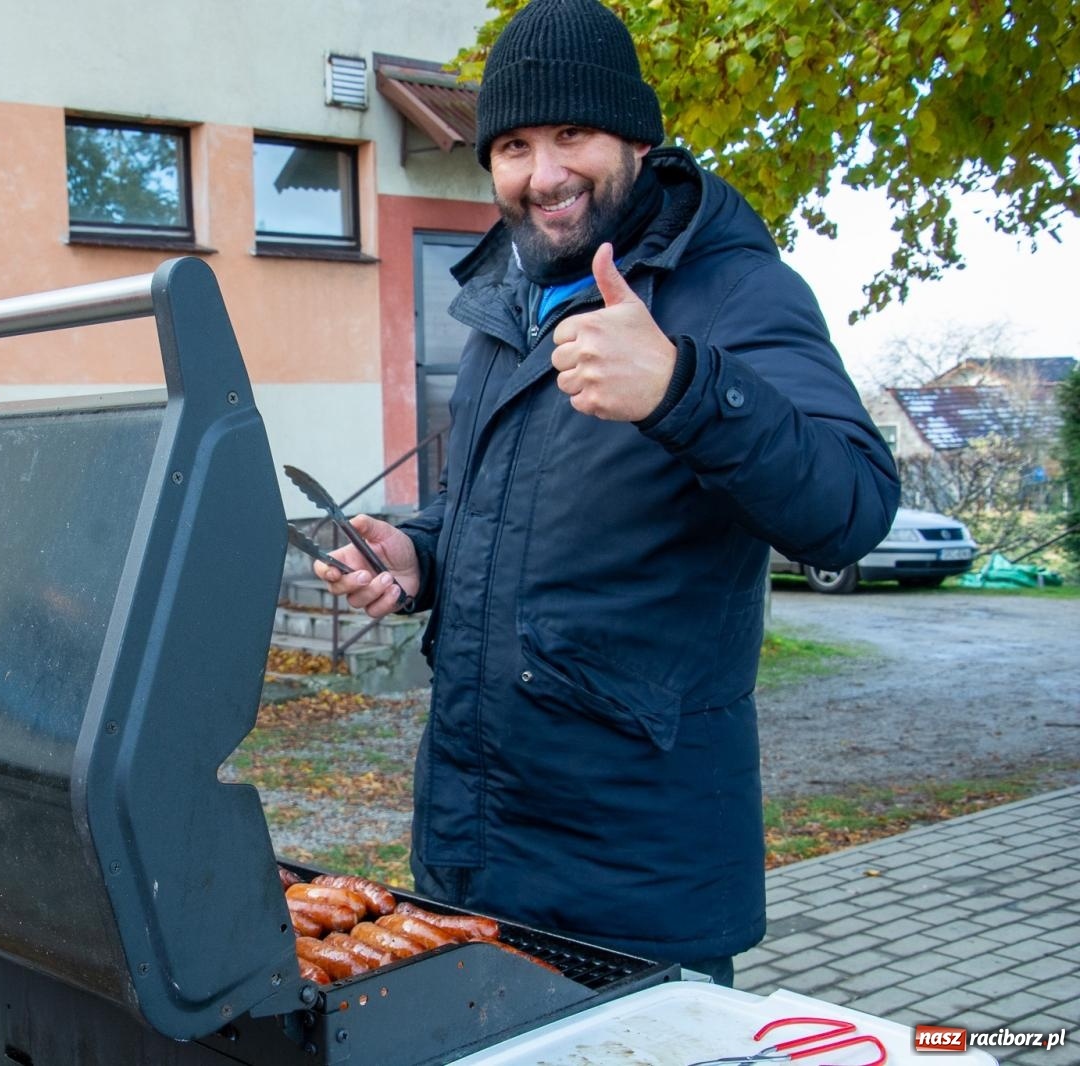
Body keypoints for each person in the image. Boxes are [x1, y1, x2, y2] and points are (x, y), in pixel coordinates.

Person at [314, 0, 899, 987]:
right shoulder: (505, 302)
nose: (543, 175)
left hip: (636, 884)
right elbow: (497, 508)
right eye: (513, 146)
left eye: (571, 135)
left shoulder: (735, 290)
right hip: (474, 847)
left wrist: (681, 389)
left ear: (635, 139)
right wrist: (422, 553)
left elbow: (852, 509)